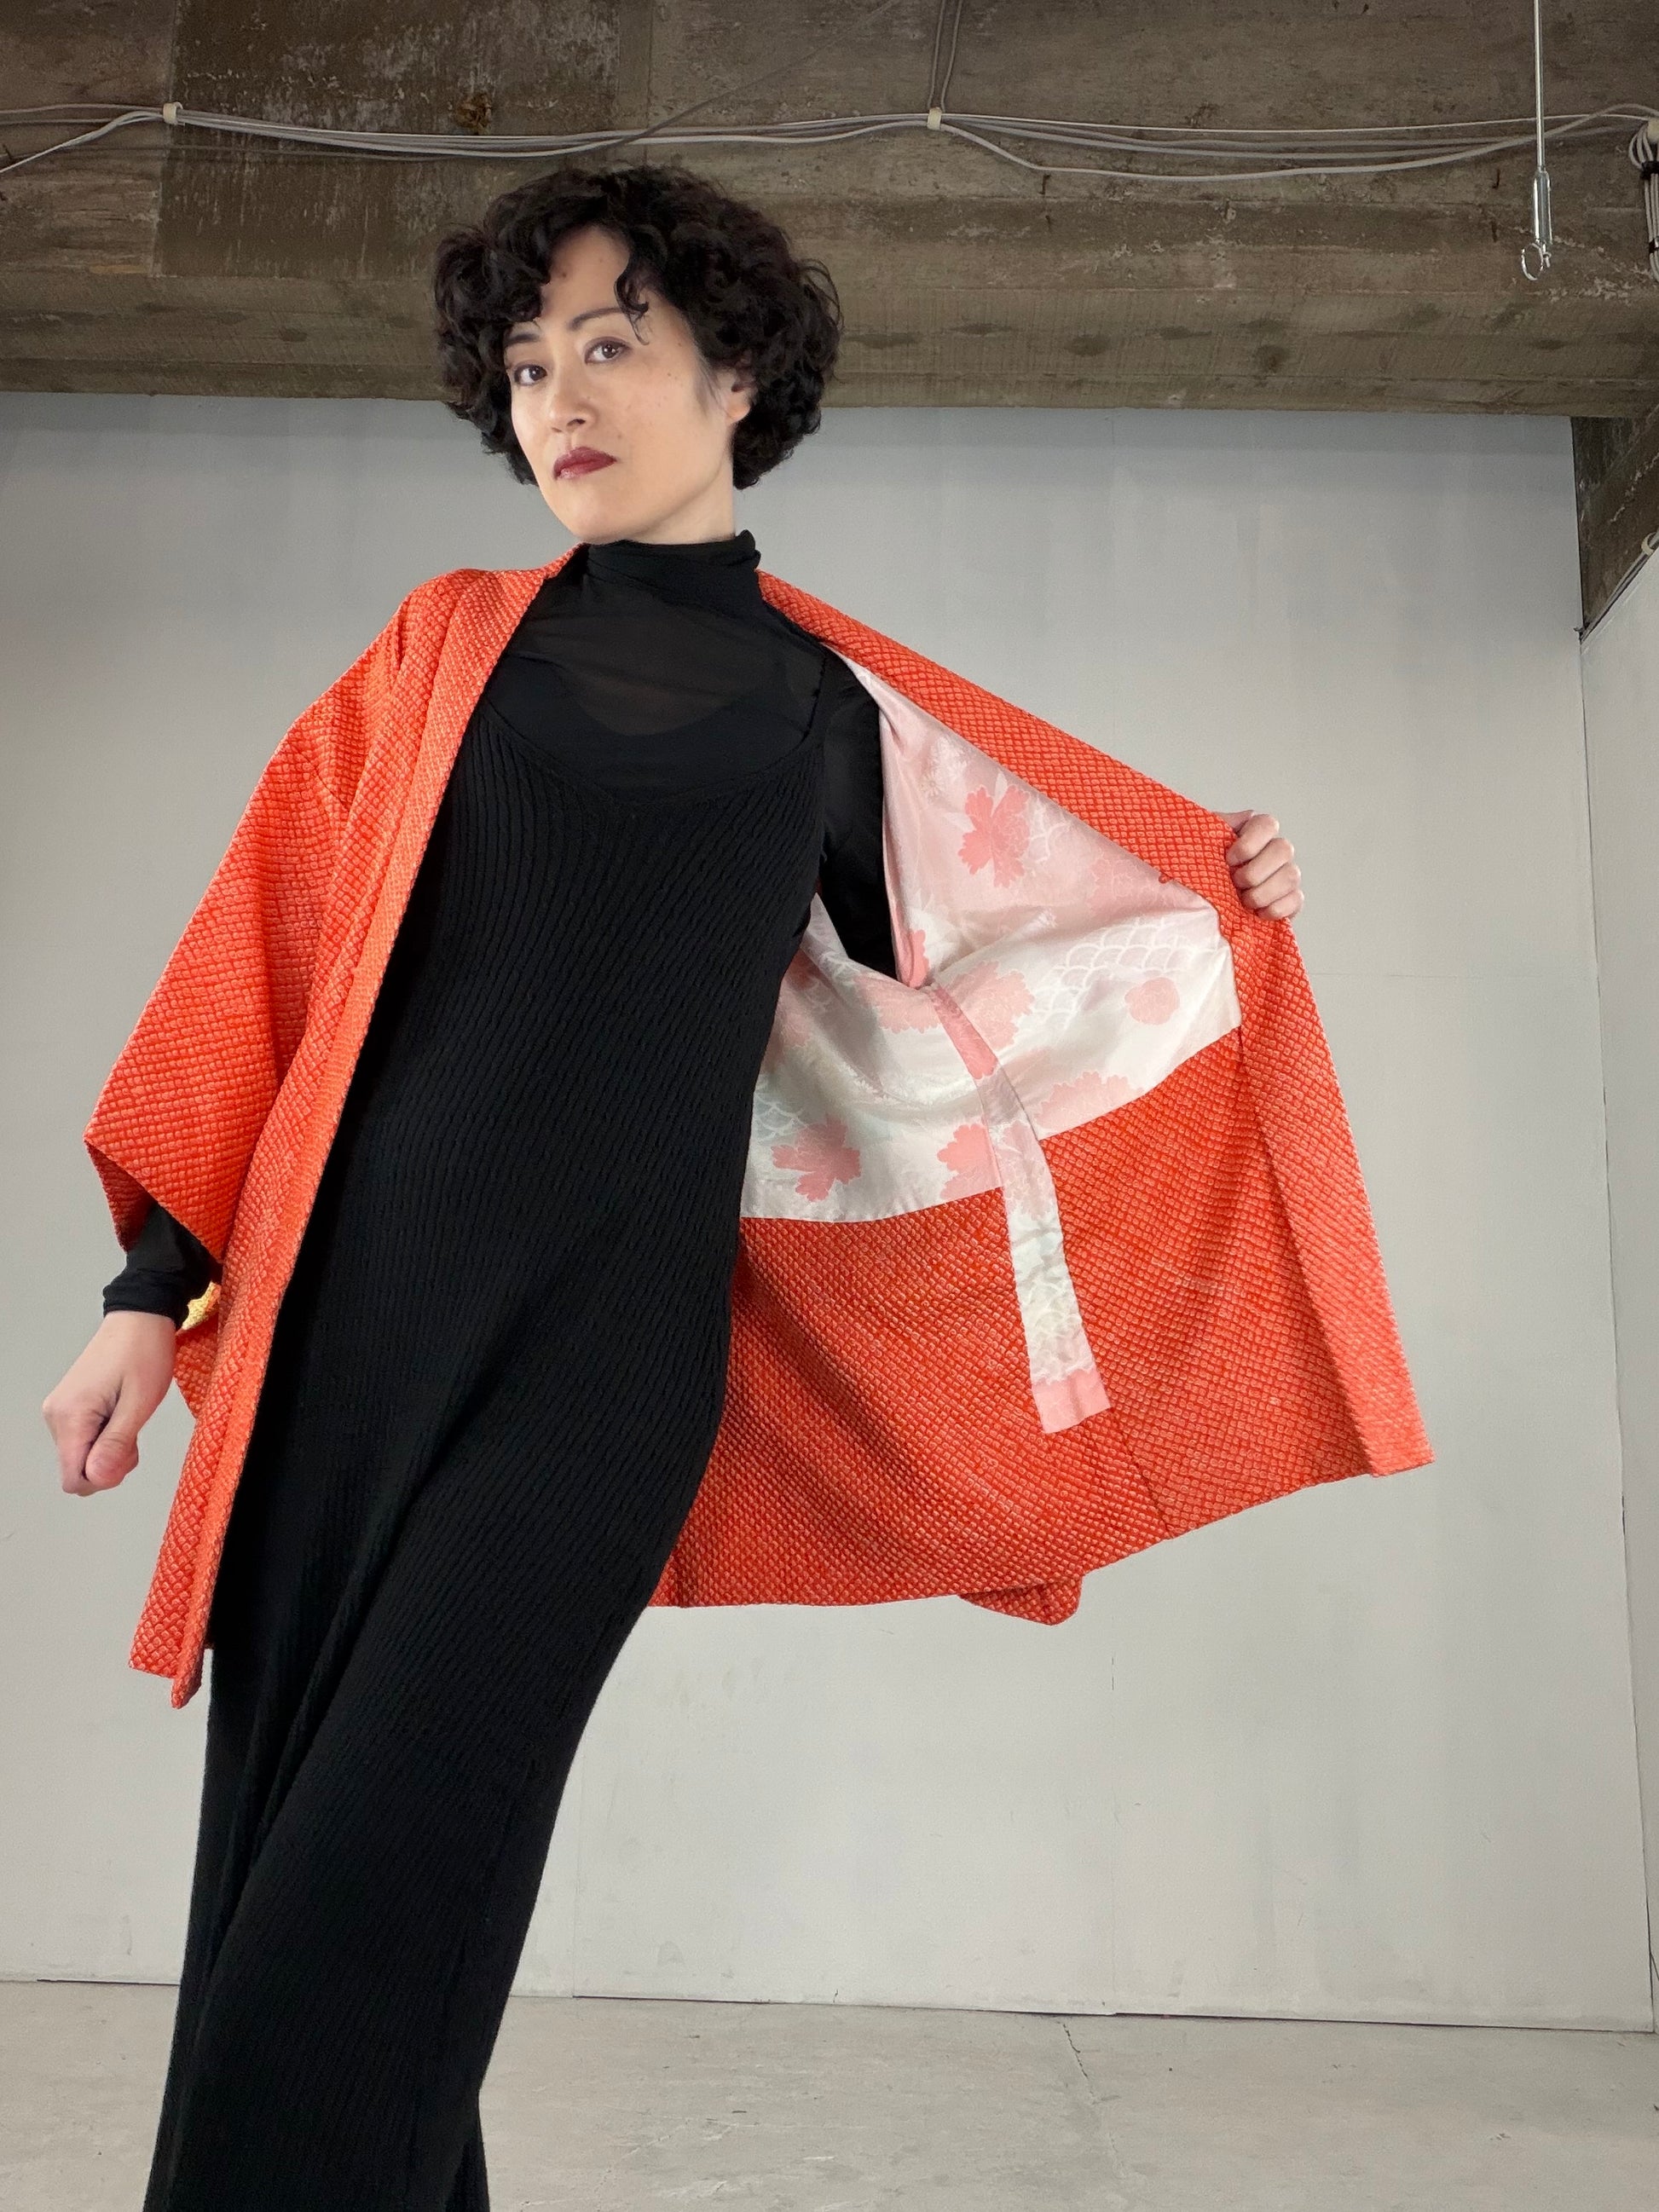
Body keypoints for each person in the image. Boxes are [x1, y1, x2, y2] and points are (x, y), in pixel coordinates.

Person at [43, 164, 1333, 2212]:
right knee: (291, 1883)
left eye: (610, 345)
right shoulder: (444, 649)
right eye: (524, 362)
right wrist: (146, 1296)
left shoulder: (827, 717)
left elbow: (1010, 969)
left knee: (374, 1904)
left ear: (738, 374)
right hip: (335, 1348)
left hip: (598, 1376)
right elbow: (265, 959)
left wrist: (1217, 882)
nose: (557, 395)